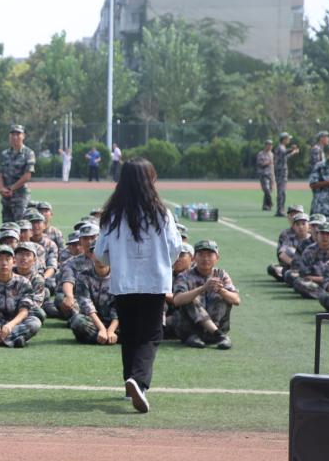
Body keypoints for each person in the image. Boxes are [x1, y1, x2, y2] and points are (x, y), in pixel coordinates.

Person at [95, 158, 182, 414]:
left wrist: (116, 261)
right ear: (150, 180)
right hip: (154, 281)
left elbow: (100, 253)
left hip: (123, 282)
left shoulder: (113, 214)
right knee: (151, 334)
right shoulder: (161, 214)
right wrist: (164, 263)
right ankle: (139, 381)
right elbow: (175, 247)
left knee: (130, 333)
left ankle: (129, 383)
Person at [171, 240, 240, 349]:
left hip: (218, 325)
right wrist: (203, 288)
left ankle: (215, 334)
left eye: (209, 255)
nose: (205, 258)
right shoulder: (184, 276)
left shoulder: (221, 274)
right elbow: (177, 300)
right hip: (190, 331)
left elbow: (236, 300)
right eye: (201, 255)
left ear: (217, 258)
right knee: (190, 298)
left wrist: (221, 290)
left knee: (223, 296)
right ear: (194, 258)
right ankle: (218, 335)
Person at [0, 125, 35, 224]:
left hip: (20, 197)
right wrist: (1, 188)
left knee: (20, 226)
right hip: (6, 197)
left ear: (23, 136)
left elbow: (27, 176)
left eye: (18, 134)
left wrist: (11, 188)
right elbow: (1, 173)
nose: (15, 137)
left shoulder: (28, 153)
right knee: (6, 227)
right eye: (13, 134)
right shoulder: (5, 154)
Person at [274, 132, 299, 217]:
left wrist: (293, 152)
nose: (289, 140)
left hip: (281, 172)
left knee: (282, 191)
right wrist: (292, 150)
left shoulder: (282, 147)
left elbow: (285, 157)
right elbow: (284, 153)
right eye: (288, 139)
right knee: (281, 191)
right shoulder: (281, 147)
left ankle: (280, 210)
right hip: (281, 172)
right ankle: (280, 210)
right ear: (284, 139)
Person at [258, 138, 278, 211]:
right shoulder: (261, 154)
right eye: (268, 145)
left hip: (271, 174)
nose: (270, 146)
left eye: (271, 145)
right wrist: (268, 163)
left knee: (269, 190)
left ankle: (265, 206)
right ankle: (270, 202)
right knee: (266, 190)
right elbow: (260, 164)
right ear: (265, 145)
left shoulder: (271, 154)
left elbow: (273, 165)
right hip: (264, 174)